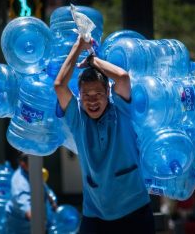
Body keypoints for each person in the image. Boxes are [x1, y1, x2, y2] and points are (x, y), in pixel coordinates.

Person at [54, 35, 155, 234]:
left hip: (135, 211)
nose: (92, 101)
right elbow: (59, 85)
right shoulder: (77, 119)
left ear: (108, 93)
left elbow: (123, 77)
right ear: (79, 97)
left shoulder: (122, 112)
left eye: (98, 94)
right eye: (86, 96)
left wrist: (93, 60)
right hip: (96, 215)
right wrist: (77, 46)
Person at [5, 152, 58, 234]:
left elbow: (43, 187)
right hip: (21, 228)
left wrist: (52, 202)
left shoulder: (32, 171)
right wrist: (42, 225)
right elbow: (29, 212)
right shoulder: (20, 183)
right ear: (23, 164)